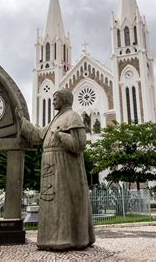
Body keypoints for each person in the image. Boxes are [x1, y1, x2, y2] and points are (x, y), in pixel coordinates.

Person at [17, 89, 95, 251]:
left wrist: (61, 136)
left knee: (63, 201)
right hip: (49, 163)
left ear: (65, 100)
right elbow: (38, 136)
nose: (53, 101)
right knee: (50, 201)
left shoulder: (72, 117)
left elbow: (80, 145)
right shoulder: (56, 119)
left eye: (55, 98)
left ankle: (68, 239)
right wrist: (22, 121)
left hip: (65, 165)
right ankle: (50, 238)